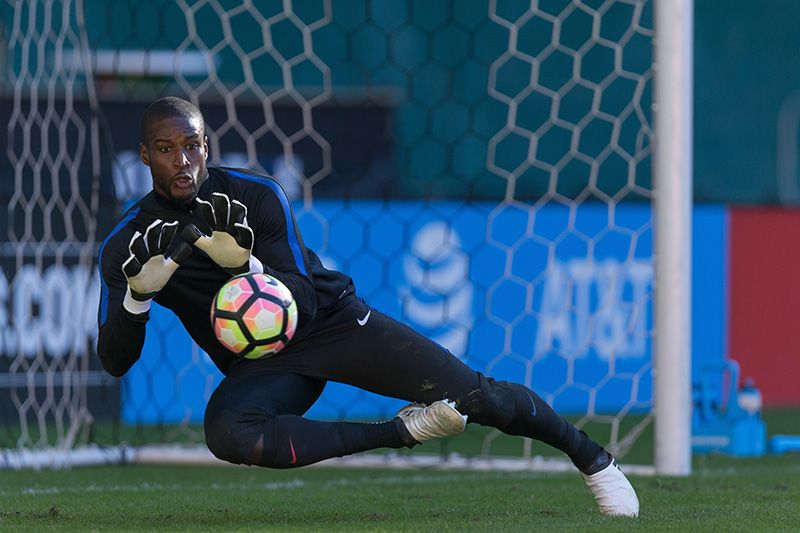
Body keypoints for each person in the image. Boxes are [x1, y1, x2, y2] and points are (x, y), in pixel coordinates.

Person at [96, 96, 639, 517]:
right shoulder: (128, 244)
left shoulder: (256, 196)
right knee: (229, 432)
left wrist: (247, 267)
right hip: (264, 364)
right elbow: (115, 361)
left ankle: (594, 459)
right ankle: (401, 432)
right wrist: (138, 298)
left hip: (332, 323)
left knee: (481, 398)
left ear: (207, 146)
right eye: (165, 149)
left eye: (191, 146)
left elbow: (301, 295)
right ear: (144, 156)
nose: (182, 161)